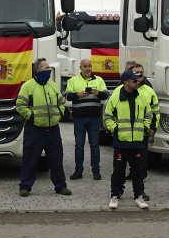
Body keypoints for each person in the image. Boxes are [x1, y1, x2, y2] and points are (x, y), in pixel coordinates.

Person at [15, 58, 70, 197]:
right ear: (37, 70)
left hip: (53, 129)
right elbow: (20, 106)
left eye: (49, 68)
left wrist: (60, 113)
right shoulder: (28, 86)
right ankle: (25, 187)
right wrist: (32, 116)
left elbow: (61, 102)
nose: (49, 70)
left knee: (56, 159)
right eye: (45, 68)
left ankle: (60, 186)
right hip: (35, 130)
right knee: (30, 159)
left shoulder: (53, 85)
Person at [104, 69, 154, 210]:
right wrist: (115, 129)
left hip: (138, 142)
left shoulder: (141, 97)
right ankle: (115, 195)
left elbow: (148, 114)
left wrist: (145, 128)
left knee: (137, 172)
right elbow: (107, 115)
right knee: (118, 171)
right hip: (121, 141)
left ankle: (138, 196)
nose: (136, 82)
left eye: (137, 80)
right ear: (126, 82)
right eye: (133, 80)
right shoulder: (115, 97)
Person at [65, 58, 108, 181]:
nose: (88, 68)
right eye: (85, 66)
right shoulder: (73, 80)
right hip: (79, 118)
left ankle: (96, 171)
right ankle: (78, 171)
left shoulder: (99, 80)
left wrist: (97, 92)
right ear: (80, 68)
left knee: (95, 145)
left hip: (94, 118)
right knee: (79, 145)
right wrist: (77, 95)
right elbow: (67, 96)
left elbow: (106, 95)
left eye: (89, 66)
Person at [130, 63, 158, 202]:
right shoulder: (123, 89)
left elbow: (155, 111)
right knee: (121, 165)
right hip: (126, 134)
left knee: (141, 162)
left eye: (141, 72)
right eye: (136, 72)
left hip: (142, 133)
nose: (139, 75)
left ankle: (140, 192)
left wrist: (153, 128)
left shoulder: (149, 90)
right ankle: (116, 193)